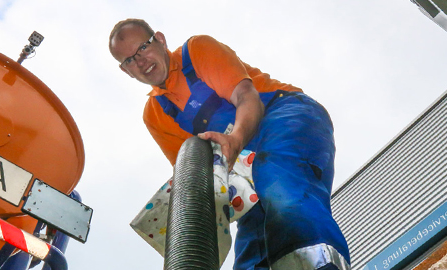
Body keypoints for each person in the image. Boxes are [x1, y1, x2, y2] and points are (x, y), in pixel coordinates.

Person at [109, 18, 351, 270]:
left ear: (160, 39)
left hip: (285, 117)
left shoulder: (196, 50)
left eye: (143, 48)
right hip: (244, 169)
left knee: (282, 190)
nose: (140, 61)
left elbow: (246, 96)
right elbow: (194, 174)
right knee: (252, 247)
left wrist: (235, 139)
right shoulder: (156, 115)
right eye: (128, 60)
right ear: (125, 70)